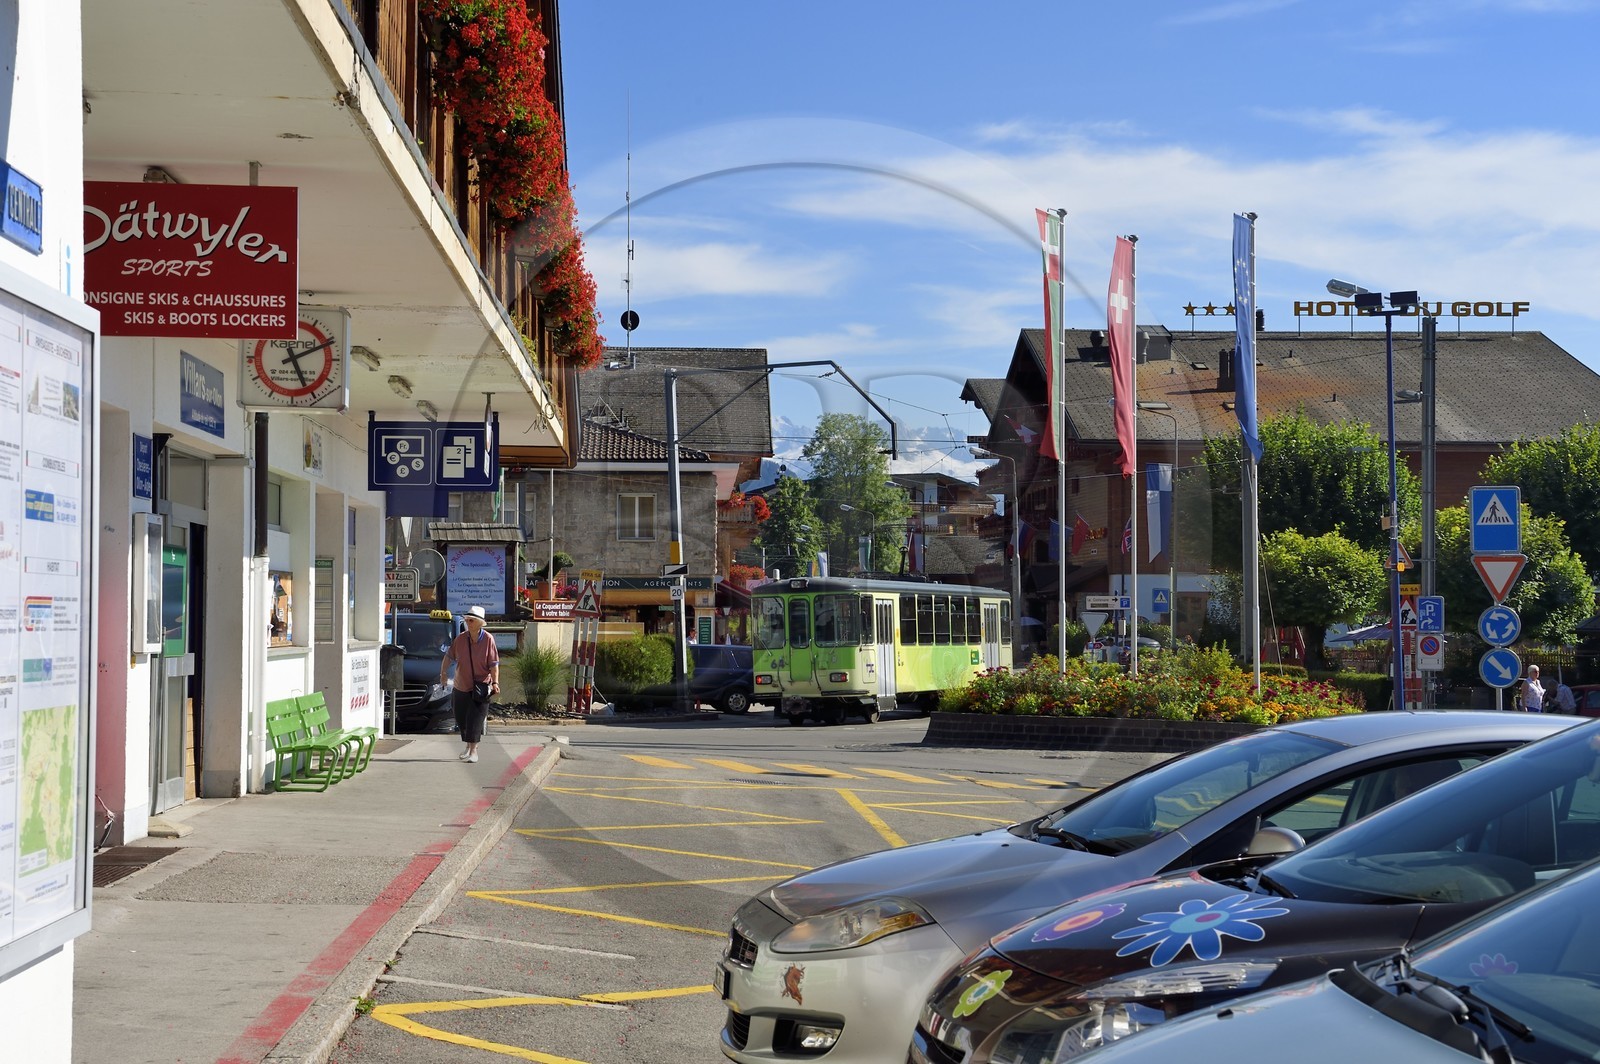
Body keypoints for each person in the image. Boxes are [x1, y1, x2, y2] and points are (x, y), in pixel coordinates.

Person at [441, 605, 499, 762]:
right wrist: (444, 673)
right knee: (461, 718)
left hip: (481, 686)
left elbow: (494, 663)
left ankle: (474, 751)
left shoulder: (488, 639)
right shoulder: (460, 639)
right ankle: (468, 747)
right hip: (461, 685)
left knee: (475, 719)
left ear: (480, 623)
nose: (468, 623)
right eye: (467, 620)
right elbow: (448, 656)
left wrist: (495, 682)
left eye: (471, 620)